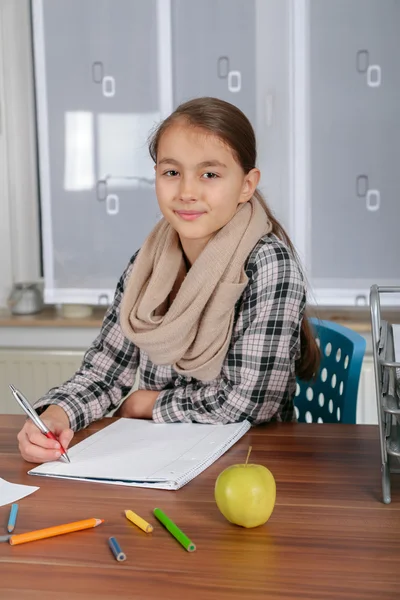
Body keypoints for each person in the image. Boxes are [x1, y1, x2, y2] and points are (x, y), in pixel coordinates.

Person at [17, 97, 319, 463]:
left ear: (246, 185)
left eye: (210, 174)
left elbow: (249, 403)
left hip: (250, 461)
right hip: (161, 458)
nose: (187, 191)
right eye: (171, 172)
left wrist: (150, 404)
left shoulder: (269, 264)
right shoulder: (148, 263)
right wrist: (56, 414)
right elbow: (106, 372)